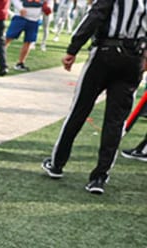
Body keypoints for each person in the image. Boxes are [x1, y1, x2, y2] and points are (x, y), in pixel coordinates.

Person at [41, 0, 147, 194]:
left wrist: (73, 49)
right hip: (134, 58)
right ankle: (99, 177)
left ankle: (57, 164)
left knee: (79, 110)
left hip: (105, 53)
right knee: (115, 121)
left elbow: (96, 15)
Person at [0, 0, 53, 69]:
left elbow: (49, 2)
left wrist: (48, 7)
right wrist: (20, 8)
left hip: (34, 20)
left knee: (28, 41)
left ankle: (20, 63)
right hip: (20, 17)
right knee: (8, 38)